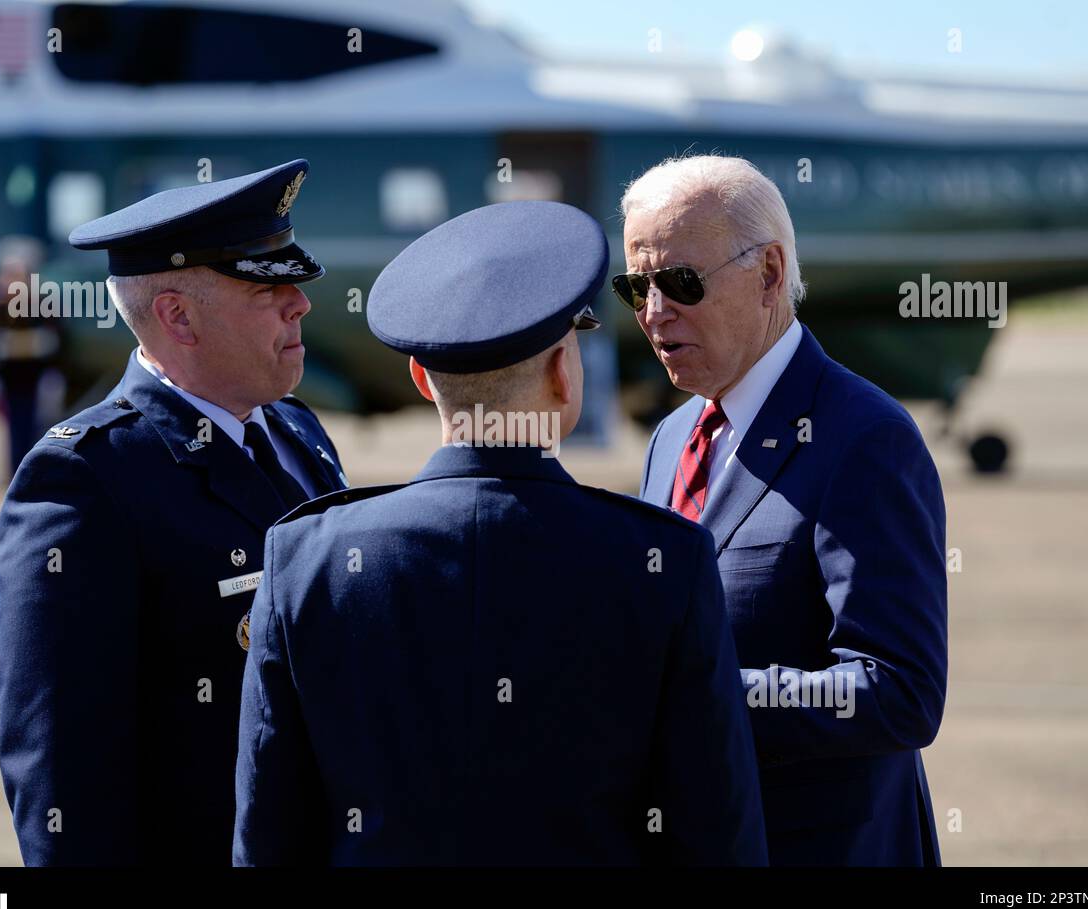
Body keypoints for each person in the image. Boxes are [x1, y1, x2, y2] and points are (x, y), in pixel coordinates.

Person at [234, 200, 767, 866]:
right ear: (561, 373)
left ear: (422, 379)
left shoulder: (306, 556)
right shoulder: (663, 560)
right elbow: (714, 833)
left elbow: (268, 835)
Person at [0, 160, 348, 865]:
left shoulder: (295, 429)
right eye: (264, 285)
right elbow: (63, 777)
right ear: (177, 316)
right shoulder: (86, 478)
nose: (299, 302)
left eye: (294, 279)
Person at [622, 155, 947, 866]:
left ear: (770, 273)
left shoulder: (865, 438)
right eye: (635, 287)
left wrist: (698, 695)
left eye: (680, 283)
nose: (652, 312)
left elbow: (900, 692)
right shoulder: (672, 437)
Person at [0, 237, 66, 478]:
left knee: (37, 425)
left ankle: (32, 471)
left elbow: (60, 338)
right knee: (12, 427)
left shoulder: (43, 302)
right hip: (5, 376)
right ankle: (15, 474)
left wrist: (55, 372)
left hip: (35, 375)